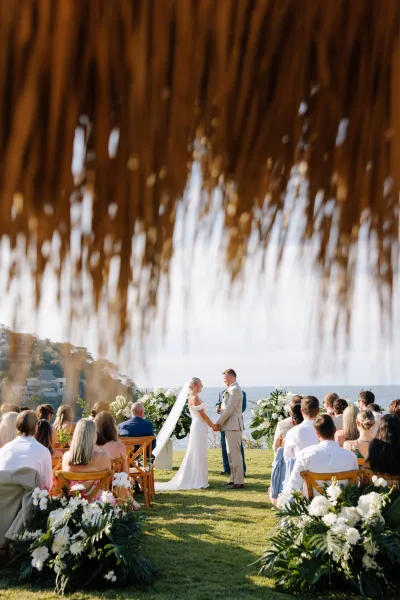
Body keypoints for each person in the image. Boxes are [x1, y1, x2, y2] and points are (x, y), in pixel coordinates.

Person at [156, 377, 217, 491]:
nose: (201, 387)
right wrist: (213, 425)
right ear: (194, 385)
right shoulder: (194, 398)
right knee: (197, 451)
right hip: (199, 425)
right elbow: (203, 415)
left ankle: (199, 478)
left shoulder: (194, 397)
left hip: (200, 425)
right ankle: (197, 479)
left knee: (199, 451)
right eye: (200, 384)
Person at [286, 414, 358, 496]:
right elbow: (355, 485)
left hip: (312, 506)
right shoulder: (351, 456)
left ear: (317, 434)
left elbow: (293, 486)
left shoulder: (306, 454)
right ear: (335, 430)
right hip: (343, 506)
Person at [0, 410, 52, 490]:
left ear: (17, 426)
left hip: (5, 501)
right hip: (29, 500)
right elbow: (47, 485)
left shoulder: (3, 450)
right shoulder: (43, 451)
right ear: (36, 427)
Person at [62, 418, 111, 497]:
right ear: (93, 435)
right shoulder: (103, 457)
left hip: (72, 503)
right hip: (98, 505)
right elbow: (109, 480)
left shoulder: (66, 456)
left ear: (76, 434)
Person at [215, 369, 245, 489]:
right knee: (230, 454)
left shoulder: (235, 390)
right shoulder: (230, 389)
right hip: (228, 426)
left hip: (233, 425)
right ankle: (233, 478)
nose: (224, 380)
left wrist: (218, 423)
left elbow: (229, 410)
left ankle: (239, 481)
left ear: (233, 377)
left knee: (235, 454)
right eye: (223, 378)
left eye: (226, 377)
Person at [269, 403, 303, 504]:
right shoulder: (316, 429)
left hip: (294, 476)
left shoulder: (290, 432)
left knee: (281, 455)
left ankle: (276, 494)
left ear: (293, 419)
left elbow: (284, 454)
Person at [217, 389, 247, 475]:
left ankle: (242, 470)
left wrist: (228, 412)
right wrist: (218, 407)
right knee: (224, 446)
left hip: (234, 424)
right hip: (224, 422)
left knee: (237, 448)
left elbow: (242, 408)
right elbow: (218, 403)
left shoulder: (241, 392)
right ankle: (227, 469)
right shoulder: (221, 392)